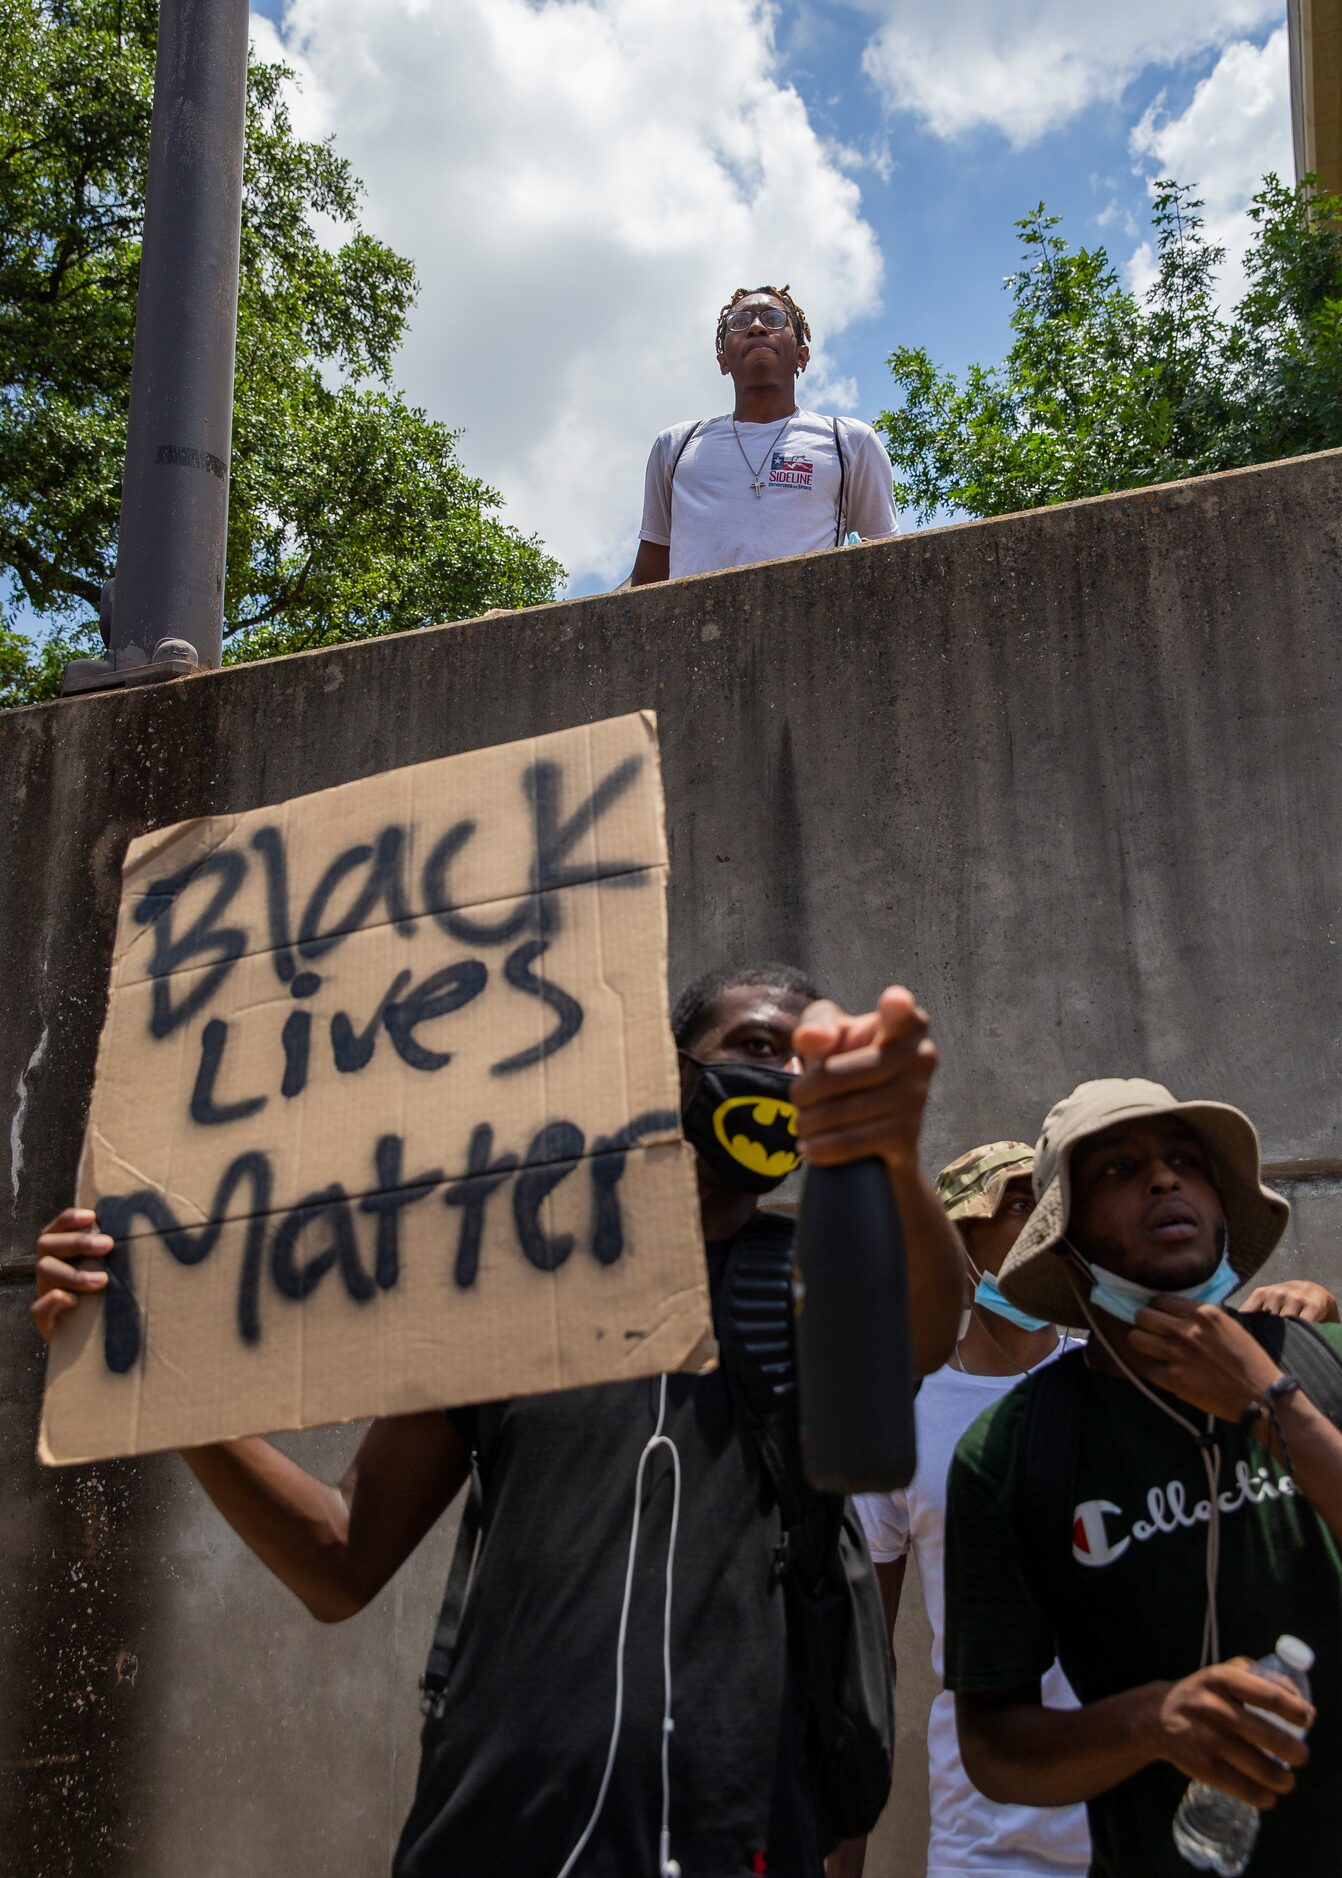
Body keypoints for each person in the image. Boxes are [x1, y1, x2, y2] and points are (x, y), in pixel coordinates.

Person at [33, 964, 963, 1878]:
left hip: (741, 1832)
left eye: (807, 1066)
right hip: (495, 1836)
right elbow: (339, 1559)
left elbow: (924, 1326)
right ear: (666, 1066)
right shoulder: (514, 1273)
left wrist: (890, 1151)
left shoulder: (817, 1277)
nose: (783, 1082)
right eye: (756, 1046)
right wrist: (153, 1375)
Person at [833, 1140, 1337, 1878]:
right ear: (959, 1249)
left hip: (1159, 1820)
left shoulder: (1135, 1375)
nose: (1032, 1218)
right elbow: (863, 1672)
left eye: (1037, 1204)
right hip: (995, 1838)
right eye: (1009, 1207)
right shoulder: (922, 1420)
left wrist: (1300, 1350)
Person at [628, 285, 898, 586]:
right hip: (695, 633)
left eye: (773, 319)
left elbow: (886, 564)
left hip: (806, 631)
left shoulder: (848, 442)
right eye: (740, 322)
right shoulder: (676, 446)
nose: (756, 328)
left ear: (801, 356)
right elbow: (646, 579)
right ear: (723, 361)